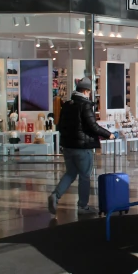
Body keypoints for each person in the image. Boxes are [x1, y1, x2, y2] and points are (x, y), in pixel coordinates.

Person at [48, 78, 115, 215]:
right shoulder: (85, 105)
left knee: (71, 173)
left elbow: (60, 125)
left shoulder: (67, 104)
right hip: (82, 148)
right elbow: (93, 126)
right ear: (86, 91)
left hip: (68, 146)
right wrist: (109, 134)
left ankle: (56, 195)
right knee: (85, 176)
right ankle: (82, 206)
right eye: (89, 92)